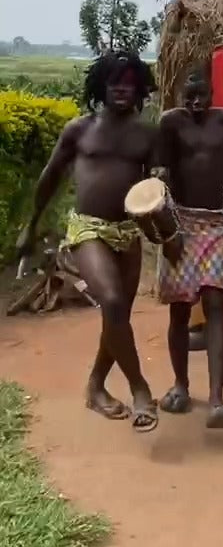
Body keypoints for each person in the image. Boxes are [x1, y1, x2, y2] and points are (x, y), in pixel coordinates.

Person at [16, 52, 160, 432]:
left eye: (129, 82)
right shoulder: (79, 130)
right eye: (114, 82)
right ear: (101, 86)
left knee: (117, 317)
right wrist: (31, 226)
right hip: (88, 229)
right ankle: (140, 389)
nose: (121, 89)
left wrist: (164, 233)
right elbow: (50, 178)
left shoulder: (147, 134)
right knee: (111, 301)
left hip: (127, 231)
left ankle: (96, 387)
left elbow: (155, 188)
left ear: (139, 88)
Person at [155, 70, 223, 429]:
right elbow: (158, 170)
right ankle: (180, 385)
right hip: (179, 222)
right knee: (179, 308)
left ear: (212, 93)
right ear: (181, 94)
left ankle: (217, 399)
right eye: (190, 95)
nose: (196, 102)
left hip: (216, 224)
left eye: (202, 95)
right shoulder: (170, 122)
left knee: (214, 302)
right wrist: (163, 223)